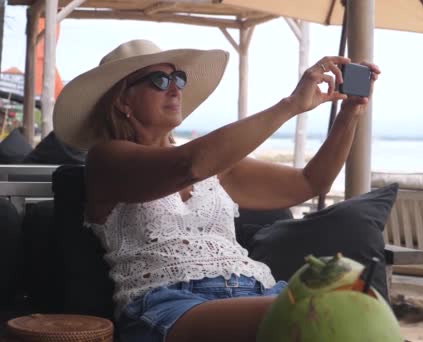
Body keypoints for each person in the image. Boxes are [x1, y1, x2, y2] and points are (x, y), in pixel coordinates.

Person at [52, 39, 380, 342]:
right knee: (321, 312)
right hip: (170, 304)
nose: (176, 89)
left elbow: (311, 182)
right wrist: (291, 104)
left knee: (360, 301)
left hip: (257, 291)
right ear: (123, 99)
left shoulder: (217, 167)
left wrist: (350, 113)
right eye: (160, 81)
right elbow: (188, 165)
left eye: (178, 79)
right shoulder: (107, 159)